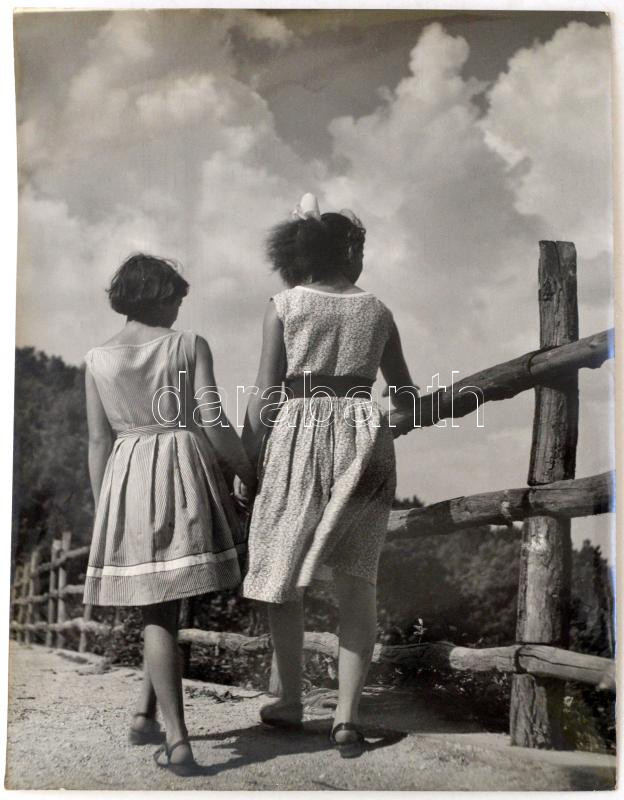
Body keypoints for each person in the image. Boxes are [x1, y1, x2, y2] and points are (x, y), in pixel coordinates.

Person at [238, 194, 418, 758]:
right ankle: (346, 717)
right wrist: (379, 424)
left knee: (280, 567)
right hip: (364, 440)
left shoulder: (284, 305)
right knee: (357, 579)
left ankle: (290, 700)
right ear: (348, 253)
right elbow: (407, 397)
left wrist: (246, 460)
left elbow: (266, 393)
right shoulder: (379, 312)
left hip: (296, 438)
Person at [84, 253, 255, 776]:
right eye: (176, 297)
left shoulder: (96, 359)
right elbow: (212, 418)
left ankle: (144, 716)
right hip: (181, 471)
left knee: (160, 603)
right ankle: (179, 740)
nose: (181, 306)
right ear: (158, 295)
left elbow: (98, 441)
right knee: (162, 609)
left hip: (128, 477)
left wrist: (104, 508)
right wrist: (246, 468)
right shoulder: (188, 345)